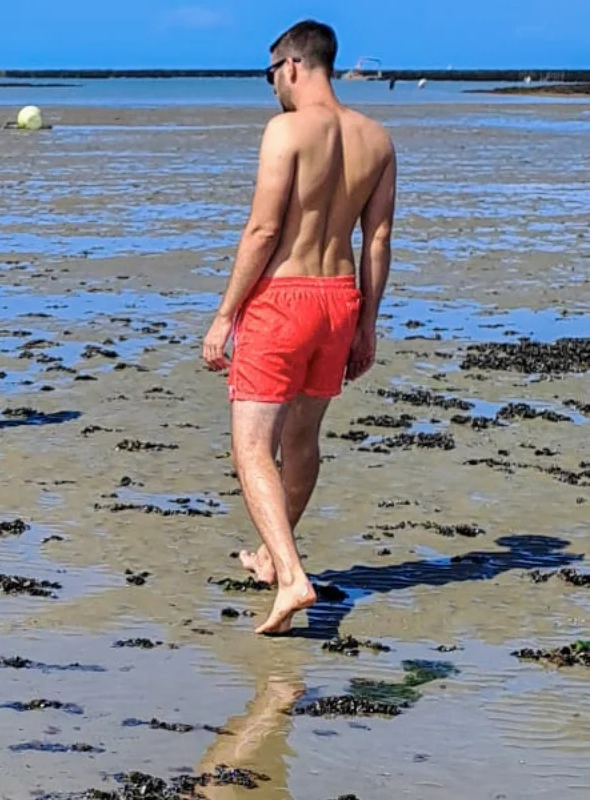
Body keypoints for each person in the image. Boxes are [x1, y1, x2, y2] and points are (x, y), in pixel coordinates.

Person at [202, 19, 396, 635]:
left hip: (283, 298)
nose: (272, 90)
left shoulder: (285, 130)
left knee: (253, 447)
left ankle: (290, 576)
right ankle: (269, 556)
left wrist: (225, 315)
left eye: (270, 76)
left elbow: (262, 231)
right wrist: (367, 322)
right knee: (303, 440)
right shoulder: (377, 139)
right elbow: (379, 240)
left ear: (291, 65)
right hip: (339, 298)